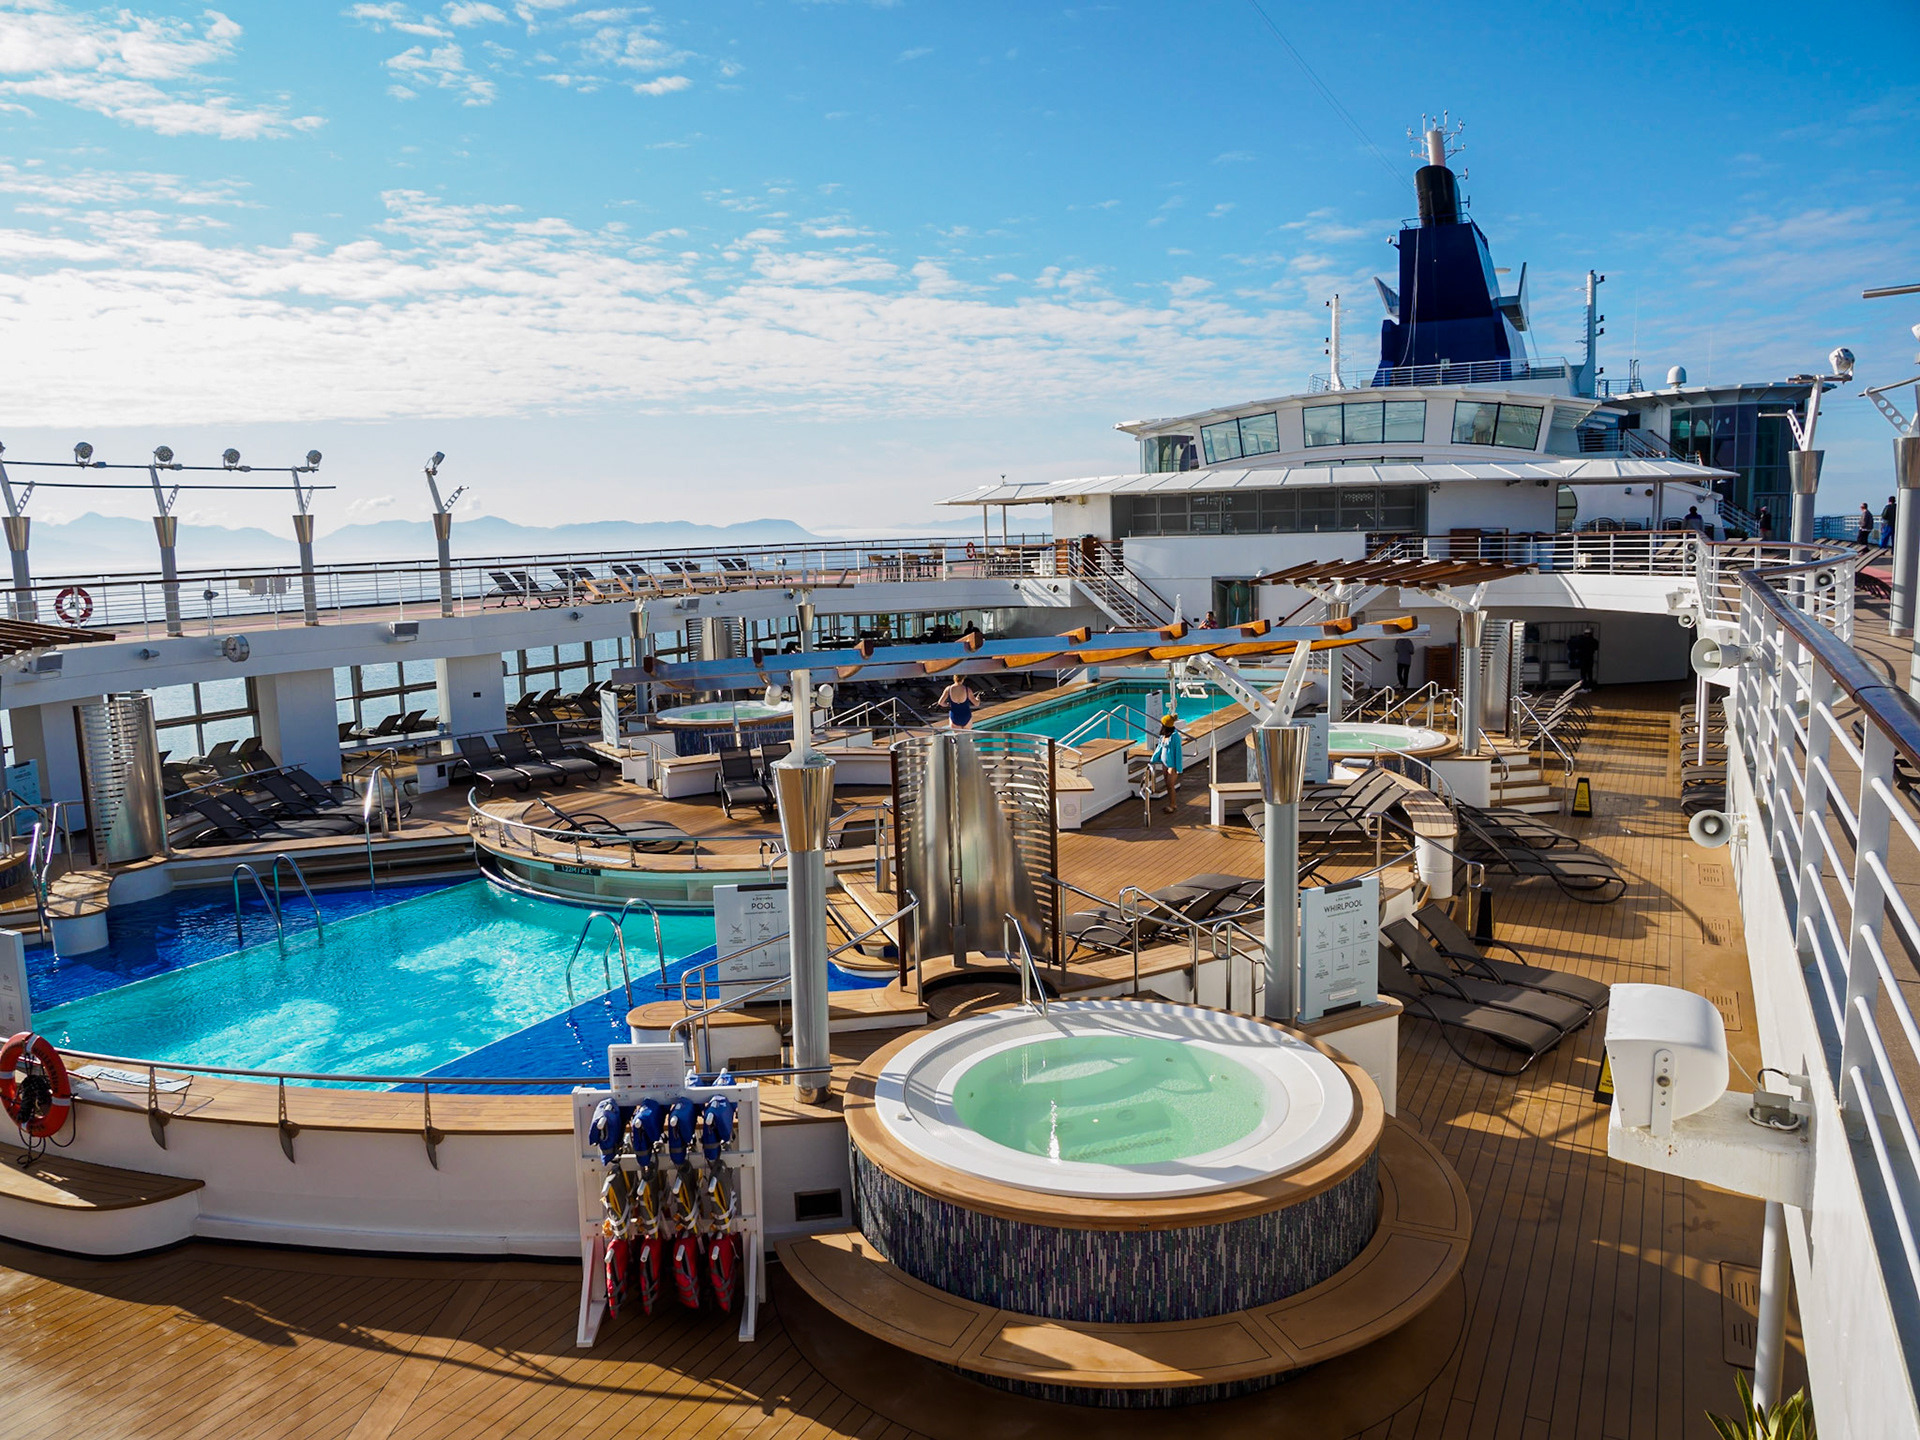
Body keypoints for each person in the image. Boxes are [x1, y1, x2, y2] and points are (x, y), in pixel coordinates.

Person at [1151, 709, 1185, 814]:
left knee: (1170, 785)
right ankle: (1172, 803)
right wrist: (1153, 759)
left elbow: (1178, 752)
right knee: (1167, 785)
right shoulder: (1164, 735)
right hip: (1164, 763)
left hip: (1172, 765)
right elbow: (1159, 749)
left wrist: (1178, 768)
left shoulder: (1175, 737)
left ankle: (1172, 805)